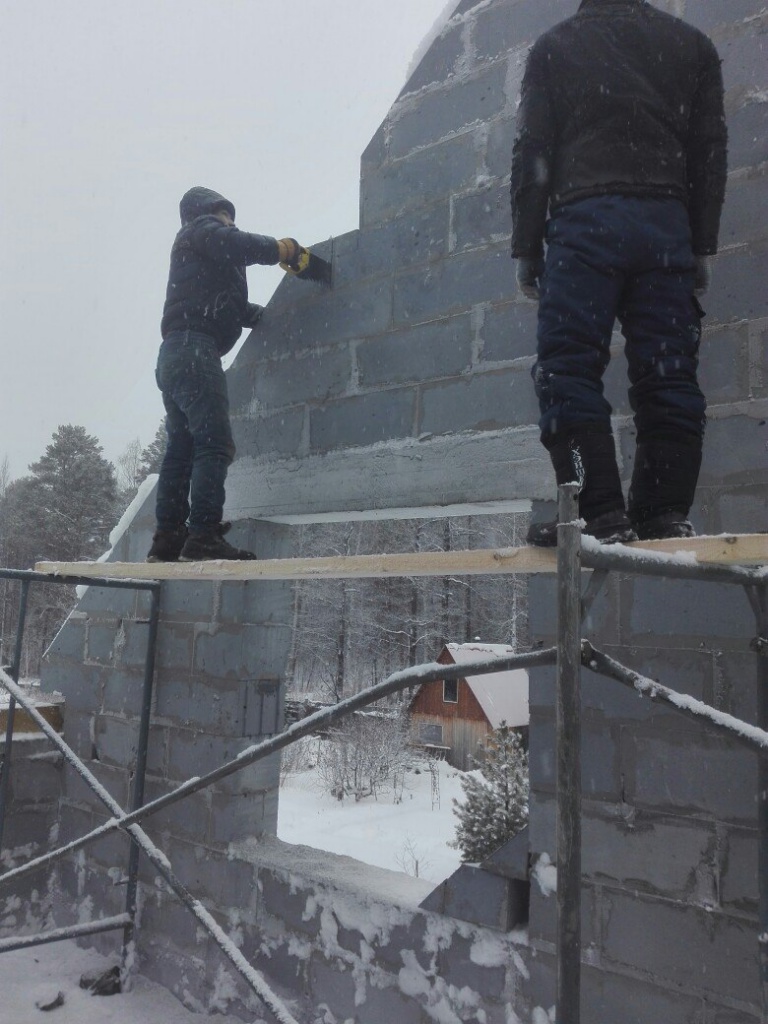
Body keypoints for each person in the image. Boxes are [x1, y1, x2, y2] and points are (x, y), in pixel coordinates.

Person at [510, 0, 727, 546]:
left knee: (568, 369)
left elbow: (532, 150)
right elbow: (709, 151)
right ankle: (663, 513)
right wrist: (701, 244)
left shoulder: (555, 47)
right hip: (665, 226)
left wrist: (526, 246)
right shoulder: (691, 45)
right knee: (668, 371)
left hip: (585, 225)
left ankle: (596, 513)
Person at [147, 186, 307, 562]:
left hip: (175, 353)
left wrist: (267, 316)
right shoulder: (200, 230)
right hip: (194, 352)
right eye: (224, 214)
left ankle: (168, 538)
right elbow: (236, 244)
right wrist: (282, 250)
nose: (230, 222)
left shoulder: (202, 257)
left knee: (181, 449)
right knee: (214, 444)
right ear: (205, 212)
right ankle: (202, 535)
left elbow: (226, 305)